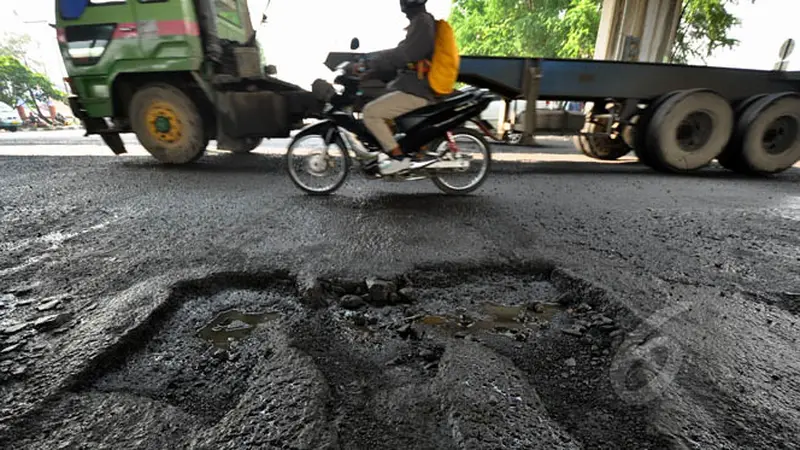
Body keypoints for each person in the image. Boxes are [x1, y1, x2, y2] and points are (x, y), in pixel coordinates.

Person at [355, 0, 437, 175]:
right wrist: (372, 68)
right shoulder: (421, 22)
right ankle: (392, 148)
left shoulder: (422, 22)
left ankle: (398, 158)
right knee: (377, 99)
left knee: (371, 112)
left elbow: (405, 54)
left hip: (417, 91)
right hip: (413, 87)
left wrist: (371, 59)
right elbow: (401, 55)